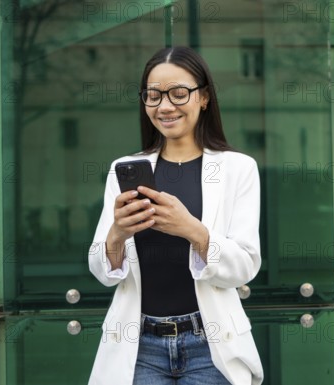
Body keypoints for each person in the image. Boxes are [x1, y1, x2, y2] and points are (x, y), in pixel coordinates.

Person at [88, 46, 263, 385]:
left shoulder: (238, 169)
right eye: (153, 96)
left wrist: (193, 231)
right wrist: (117, 235)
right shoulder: (122, 171)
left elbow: (245, 266)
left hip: (210, 345)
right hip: (140, 347)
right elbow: (102, 271)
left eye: (178, 94)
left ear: (204, 97)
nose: (165, 106)